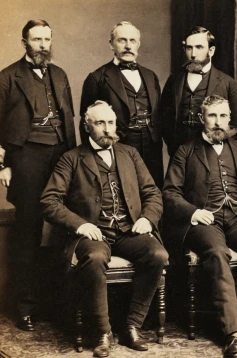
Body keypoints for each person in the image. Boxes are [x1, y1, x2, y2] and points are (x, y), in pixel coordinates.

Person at [40, 101, 168, 357]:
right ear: (87, 127)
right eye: (100, 123)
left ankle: (132, 325)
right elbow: (49, 201)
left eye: (110, 122)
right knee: (96, 257)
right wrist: (81, 224)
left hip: (129, 230)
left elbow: (152, 193)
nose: (108, 129)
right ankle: (102, 332)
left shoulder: (130, 154)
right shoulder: (72, 159)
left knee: (158, 255)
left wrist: (147, 218)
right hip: (94, 233)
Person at [163, 95, 237, 357]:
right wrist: (194, 212)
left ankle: (230, 316)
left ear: (229, 119)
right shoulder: (186, 151)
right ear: (202, 118)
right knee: (217, 252)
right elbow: (169, 193)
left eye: (223, 116)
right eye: (212, 116)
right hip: (205, 220)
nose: (218, 122)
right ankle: (233, 333)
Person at [0, 19, 76, 331]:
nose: (43, 44)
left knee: (64, 226)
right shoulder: (7, 77)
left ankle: (58, 302)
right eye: (36, 39)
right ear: (24, 42)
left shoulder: (59, 74)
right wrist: (3, 164)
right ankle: (25, 306)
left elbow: (69, 117)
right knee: (28, 230)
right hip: (26, 157)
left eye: (47, 38)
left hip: (61, 155)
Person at [80, 21, 164, 187]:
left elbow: (159, 114)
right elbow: (85, 124)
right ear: (111, 44)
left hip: (151, 146)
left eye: (132, 41)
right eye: (122, 40)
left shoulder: (150, 76)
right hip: (119, 144)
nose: (128, 46)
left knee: (153, 190)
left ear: (138, 44)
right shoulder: (97, 78)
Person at [161, 26, 237, 156]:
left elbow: (236, 126)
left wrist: (219, 150)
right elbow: (164, 117)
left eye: (199, 47)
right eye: (189, 48)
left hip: (212, 154)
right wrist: (173, 144)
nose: (193, 54)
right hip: (179, 152)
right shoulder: (174, 80)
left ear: (211, 50)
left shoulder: (228, 83)